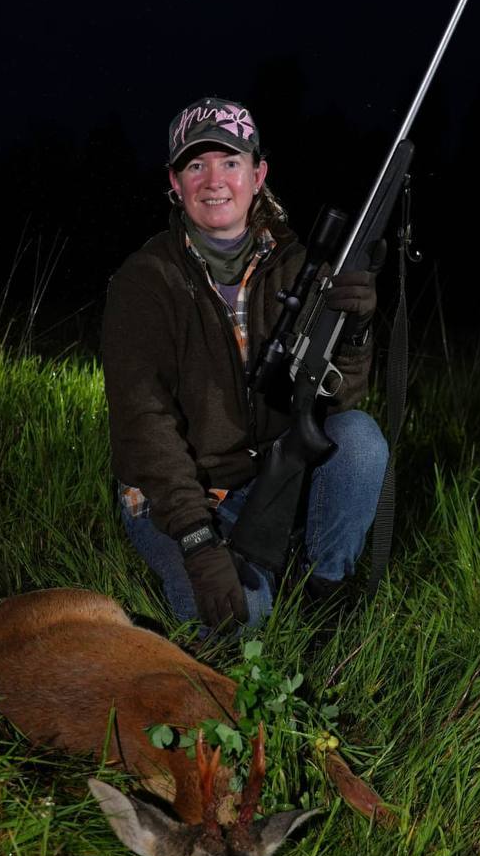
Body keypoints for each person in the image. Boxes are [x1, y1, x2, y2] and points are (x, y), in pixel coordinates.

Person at [101, 96, 388, 630]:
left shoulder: (299, 266)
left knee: (360, 439)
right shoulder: (144, 282)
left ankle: (323, 592)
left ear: (258, 176)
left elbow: (338, 401)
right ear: (175, 182)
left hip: (268, 476)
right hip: (179, 494)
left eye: (230, 162)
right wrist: (197, 540)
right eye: (196, 165)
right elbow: (144, 427)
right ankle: (253, 573)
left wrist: (356, 330)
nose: (214, 181)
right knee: (240, 622)